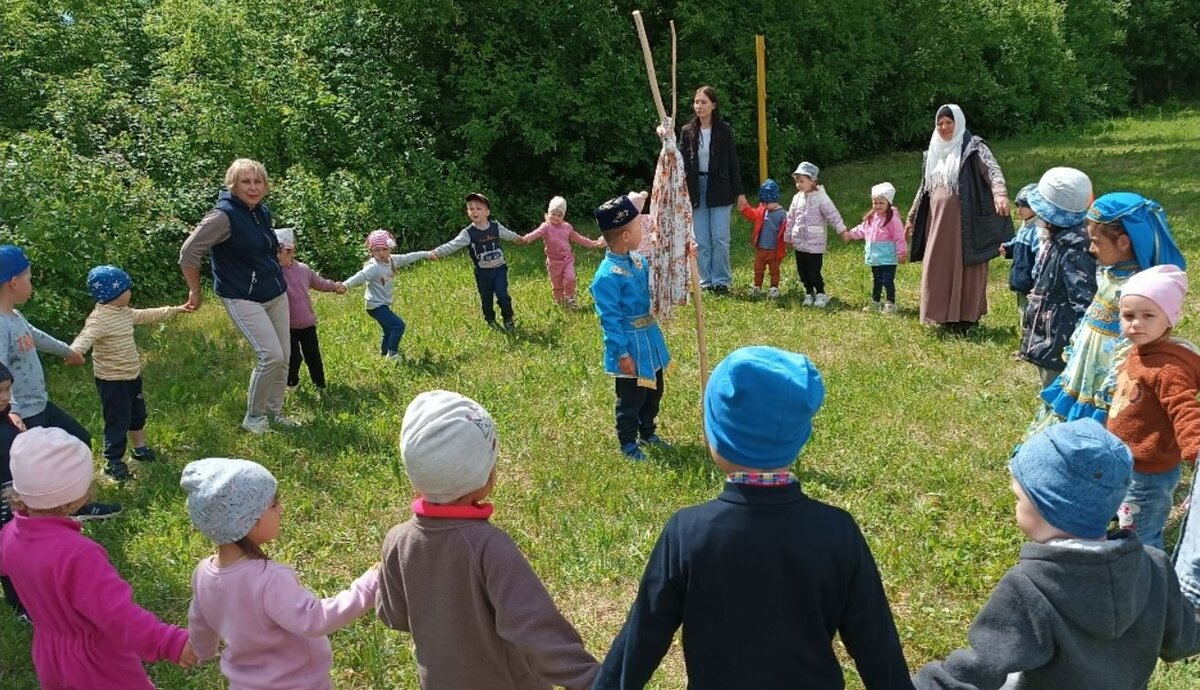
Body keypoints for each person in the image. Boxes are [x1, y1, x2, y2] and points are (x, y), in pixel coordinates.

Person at [595, 346, 911, 689]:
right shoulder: (837, 533)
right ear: (801, 435)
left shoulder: (687, 534)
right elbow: (877, 645)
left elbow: (642, 638)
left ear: (714, 434)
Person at [913, 419, 1200, 690]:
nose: (1015, 505)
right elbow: (1183, 640)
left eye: (1018, 498)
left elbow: (981, 666)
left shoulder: (1030, 588)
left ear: (1046, 507)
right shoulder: (1154, 565)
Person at [377, 390, 599, 689]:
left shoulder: (397, 541)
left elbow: (393, 615)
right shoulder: (490, 547)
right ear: (484, 479)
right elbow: (535, 629)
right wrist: (593, 678)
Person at [0, 428, 197, 688]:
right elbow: (118, 615)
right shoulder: (78, 555)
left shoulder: (10, 534)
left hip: (50, 656)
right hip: (98, 663)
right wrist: (169, 642)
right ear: (73, 498)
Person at [182, 457, 378, 689]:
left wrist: (201, 649)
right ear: (248, 521)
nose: (281, 509)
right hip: (297, 683)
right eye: (274, 504)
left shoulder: (203, 573)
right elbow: (315, 619)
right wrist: (368, 587)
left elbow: (199, 620)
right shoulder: (269, 579)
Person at [1029, 192, 1187, 435]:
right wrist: (1077, 342)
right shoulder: (1110, 272)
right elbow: (1094, 311)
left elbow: (1131, 341)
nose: (1091, 249)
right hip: (1087, 366)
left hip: (1107, 374)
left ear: (1123, 242)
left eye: (1096, 241)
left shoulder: (1137, 288)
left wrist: (1115, 382)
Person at [0, 244, 121, 520]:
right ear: (14, 283)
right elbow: (0, 372)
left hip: (39, 404)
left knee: (79, 440)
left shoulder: (14, 316)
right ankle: (40, 520)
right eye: (29, 277)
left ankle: (75, 506)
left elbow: (36, 336)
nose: (32, 283)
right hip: (20, 414)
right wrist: (13, 409)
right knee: (33, 470)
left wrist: (69, 351)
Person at [179, 158, 298, 435]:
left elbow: (262, 249)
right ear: (232, 184)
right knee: (270, 355)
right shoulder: (223, 216)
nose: (253, 187)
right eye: (246, 181)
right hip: (242, 296)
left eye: (258, 182)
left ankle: (274, 412)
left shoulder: (260, 211)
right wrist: (195, 290)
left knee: (285, 356)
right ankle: (254, 417)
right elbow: (189, 253)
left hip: (274, 292)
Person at [1102, 265, 1200, 551]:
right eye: (1128, 316)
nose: (1136, 324)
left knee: (1141, 537)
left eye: (1148, 316)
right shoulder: (1141, 351)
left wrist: (1195, 451)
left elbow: (1184, 410)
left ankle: (1148, 581)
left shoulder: (1169, 368)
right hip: (1129, 462)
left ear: (1169, 319)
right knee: (1129, 524)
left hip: (1148, 474)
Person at [70, 265, 192, 481]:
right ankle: (113, 461)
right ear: (113, 294)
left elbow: (148, 315)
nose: (130, 292)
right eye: (127, 289)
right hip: (111, 381)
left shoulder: (124, 313)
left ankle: (140, 448)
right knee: (117, 420)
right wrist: (75, 351)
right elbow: (85, 336)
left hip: (132, 376)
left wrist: (176, 309)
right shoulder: (99, 319)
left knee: (137, 414)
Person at [906, 104, 1012, 332]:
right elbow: (924, 187)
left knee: (969, 267)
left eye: (949, 122)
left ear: (959, 123)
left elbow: (993, 170)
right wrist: (913, 215)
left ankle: (967, 318)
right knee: (938, 266)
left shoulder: (974, 147)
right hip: (938, 224)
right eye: (940, 123)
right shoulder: (932, 152)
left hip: (967, 221)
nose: (944, 127)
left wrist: (1000, 194)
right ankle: (941, 316)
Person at [590, 192, 673, 461]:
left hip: (649, 338)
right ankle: (627, 441)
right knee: (631, 398)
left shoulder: (638, 260)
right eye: (639, 227)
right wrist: (622, 354)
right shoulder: (606, 276)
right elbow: (609, 319)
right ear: (625, 236)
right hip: (630, 346)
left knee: (654, 391)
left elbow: (659, 274)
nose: (643, 230)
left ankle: (647, 432)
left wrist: (683, 256)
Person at [1017, 168, 1098, 389]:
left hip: (1060, 342)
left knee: (1056, 397)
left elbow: (1084, 302)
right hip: (1049, 334)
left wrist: (1080, 347)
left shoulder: (1073, 250)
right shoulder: (1058, 238)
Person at [680, 85, 747, 292]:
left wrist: (740, 193)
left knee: (720, 237)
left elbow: (732, 163)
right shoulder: (687, 131)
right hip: (696, 187)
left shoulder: (724, 131)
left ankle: (722, 280)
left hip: (720, 186)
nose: (698, 106)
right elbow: (681, 163)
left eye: (703, 102)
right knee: (700, 238)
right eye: (696, 102)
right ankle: (705, 281)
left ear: (713, 106)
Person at [430, 192, 521, 330]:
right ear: (468, 212)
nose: (474, 211)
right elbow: (452, 244)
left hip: (499, 269)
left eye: (478, 208)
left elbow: (509, 235)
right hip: (483, 273)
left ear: (487, 212)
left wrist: (519, 239)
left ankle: (508, 318)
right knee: (486, 299)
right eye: (471, 208)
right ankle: (490, 319)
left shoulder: (495, 227)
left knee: (502, 295)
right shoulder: (468, 233)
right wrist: (437, 252)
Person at [275, 228, 346, 389]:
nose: (277, 256)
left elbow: (319, 283)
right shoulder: (273, 273)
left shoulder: (303, 269)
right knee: (293, 357)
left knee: (313, 355)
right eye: (273, 252)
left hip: (307, 323)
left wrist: (334, 286)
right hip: (286, 326)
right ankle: (291, 383)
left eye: (281, 252)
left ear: (291, 251)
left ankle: (320, 385)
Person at [341, 229, 425, 362]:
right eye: (376, 250)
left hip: (382, 304)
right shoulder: (373, 267)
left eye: (384, 249)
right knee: (398, 326)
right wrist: (345, 285)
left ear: (390, 248)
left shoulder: (392, 261)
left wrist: (427, 254)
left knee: (388, 330)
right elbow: (360, 276)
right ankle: (392, 355)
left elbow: (409, 257)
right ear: (371, 251)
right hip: (375, 306)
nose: (381, 253)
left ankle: (384, 352)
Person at [515, 195, 605, 309]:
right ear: (548, 214)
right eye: (553, 214)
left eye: (559, 215)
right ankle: (560, 303)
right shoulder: (545, 227)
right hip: (553, 261)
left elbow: (579, 238)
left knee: (570, 278)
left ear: (563, 216)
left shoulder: (567, 227)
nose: (556, 217)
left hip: (567, 258)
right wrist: (525, 239)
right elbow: (535, 233)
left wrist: (593, 244)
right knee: (557, 284)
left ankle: (570, 297)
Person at [784, 162, 847, 307]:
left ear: (812, 181)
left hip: (815, 243)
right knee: (803, 272)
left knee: (813, 271)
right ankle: (808, 292)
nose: (799, 184)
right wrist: (787, 237)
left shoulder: (821, 198)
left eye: (802, 181)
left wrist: (842, 230)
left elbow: (833, 215)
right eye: (797, 181)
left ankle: (820, 293)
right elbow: (790, 219)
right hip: (799, 242)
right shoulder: (797, 198)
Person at [841, 182, 907, 313]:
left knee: (888, 280)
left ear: (889, 203)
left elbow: (899, 237)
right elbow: (862, 229)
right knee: (877, 280)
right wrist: (850, 234)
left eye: (881, 203)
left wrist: (902, 253)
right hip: (875, 257)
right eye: (875, 203)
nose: (877, 206)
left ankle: (890, 303)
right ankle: (875, 302)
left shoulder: (893, 219)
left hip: (888, 257)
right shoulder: (872, 217)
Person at [0, 362, 26, 619]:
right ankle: (17, 603)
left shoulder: (8, 417)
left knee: (16, 545)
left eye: (7, 389)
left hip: (14, 495)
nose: (5, 397)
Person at [1000, 183, 1041, 339]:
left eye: (1022, 206)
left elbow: (1040, 257)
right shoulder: (1026, 226)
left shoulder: (1038, 229)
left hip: (1030, 283)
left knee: (1030, 314)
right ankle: (1025, 341)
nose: (1018, 209)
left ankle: (1029, 344)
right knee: (1022, 311)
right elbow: (1019, 241)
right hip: (1021, 280)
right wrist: (1009, 248)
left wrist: (1037, 282)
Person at [739, 179, 788, 298]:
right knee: (758, 269)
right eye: (763, 203)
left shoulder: (782, 214)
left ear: (775, 200)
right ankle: (757, 286)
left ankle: (774, 288)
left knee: (774, 270)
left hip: (774, 250)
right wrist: (745, 209)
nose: (764, 205)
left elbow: (788, 229)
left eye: (767, 203)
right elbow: (753, 214)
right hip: (761, 248)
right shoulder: (763, 210)